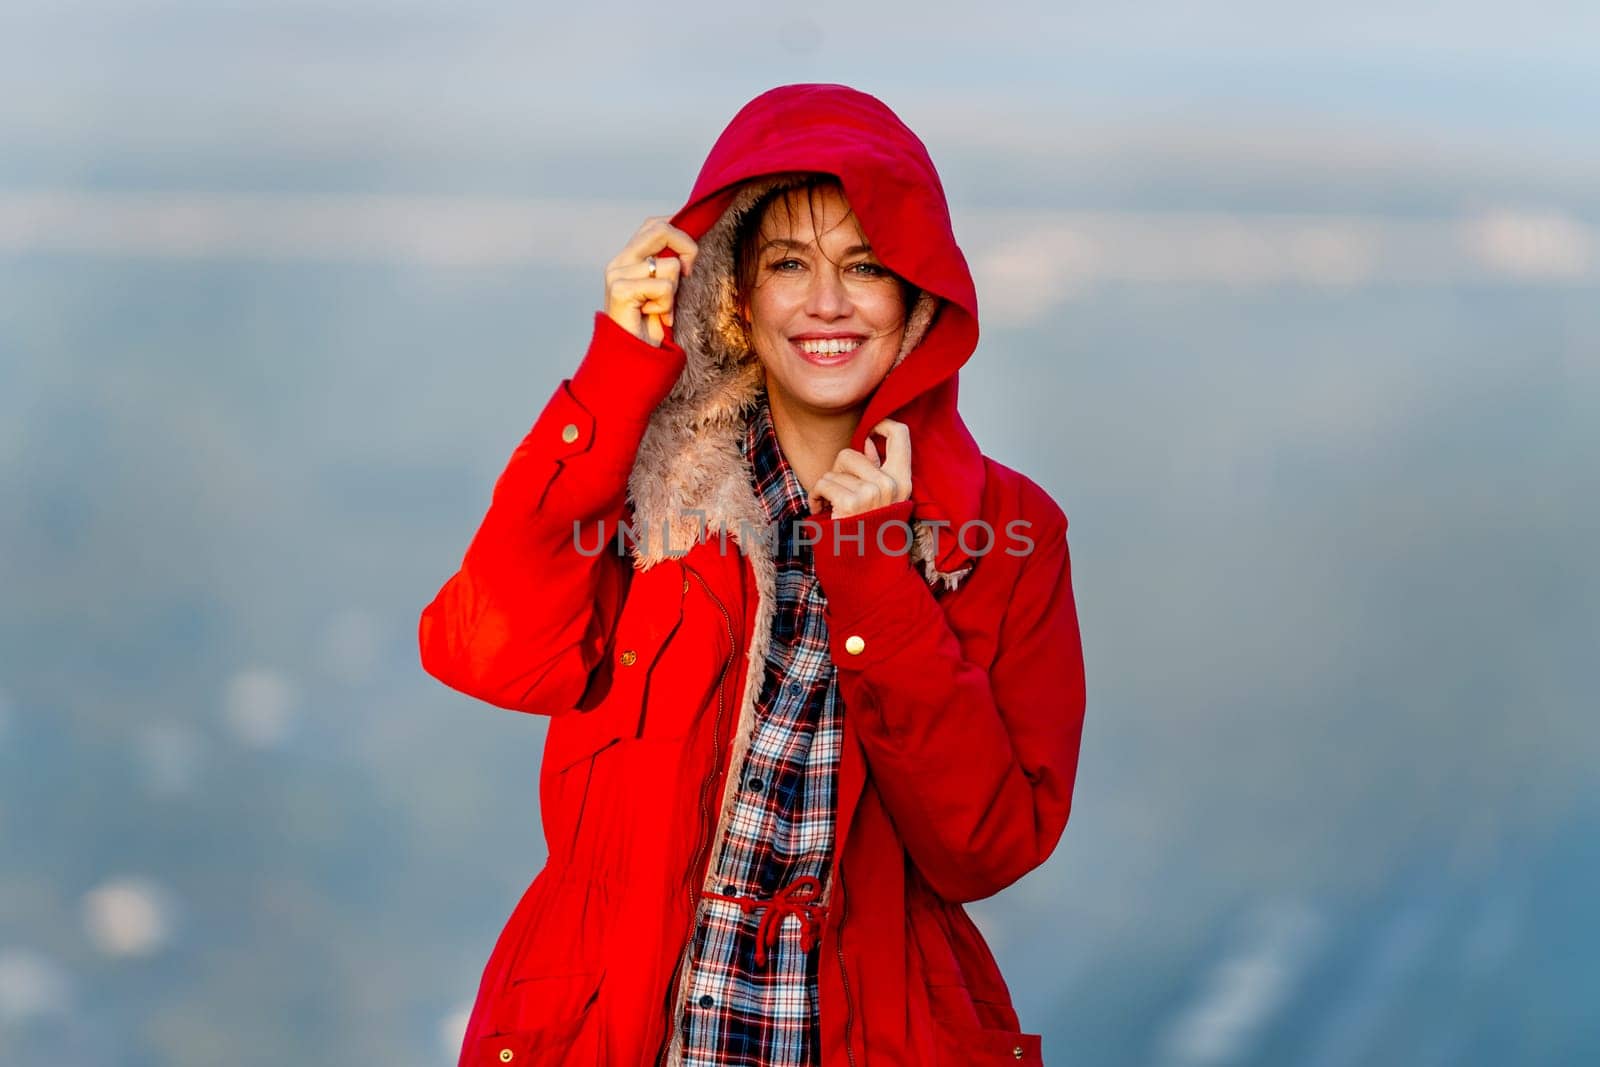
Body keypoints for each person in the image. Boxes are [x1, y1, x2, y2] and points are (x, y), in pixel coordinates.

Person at [419, 83, 1087, 1067]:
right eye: (789, 263)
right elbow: (490, 652)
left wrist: (877, 576)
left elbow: (983, 846)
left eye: (866, 265)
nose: (826, 302)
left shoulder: (1002, 530)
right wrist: (612, 378)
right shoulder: (644, 486)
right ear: (736, 291)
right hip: (611, 1030)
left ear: (918, 296)